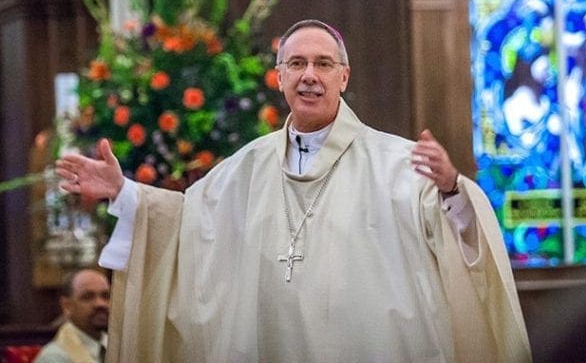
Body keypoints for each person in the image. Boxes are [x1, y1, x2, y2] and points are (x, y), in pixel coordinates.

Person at [56, 19, 532, 362]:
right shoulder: (244, 168)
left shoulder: (401, 165)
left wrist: (451, 187)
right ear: (279, 77)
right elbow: (185, 224)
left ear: (343, 78)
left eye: (324, 64)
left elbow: (464, 242)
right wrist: (125, 192)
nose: (310, 74)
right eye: (297, 63)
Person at [35, 268, 110, 363]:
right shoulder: (54, 358)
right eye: (88, 297)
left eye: (106, 296)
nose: (100, 304)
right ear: (67, 306)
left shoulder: (118, 348)